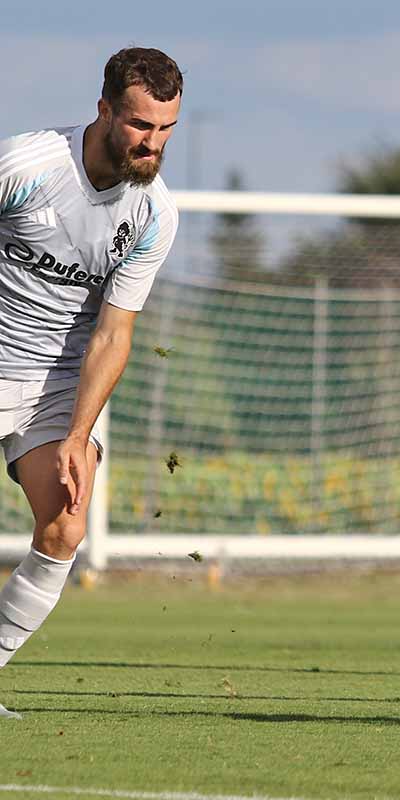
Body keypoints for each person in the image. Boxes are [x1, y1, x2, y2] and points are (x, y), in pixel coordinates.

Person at [0, 47, 182, 719]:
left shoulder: (154, 215)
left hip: (52, 386)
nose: (152, 143)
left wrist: (79, 435)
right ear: (104, 110)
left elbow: (113, 334)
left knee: (65, 529)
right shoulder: (25, 166)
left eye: (166, 129)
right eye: (140, 125)